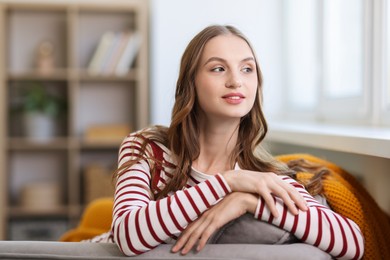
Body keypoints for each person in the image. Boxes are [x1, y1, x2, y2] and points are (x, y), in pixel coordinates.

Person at [107, 25, 364, 259]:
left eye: (247, 69)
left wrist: (247, 201)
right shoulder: (147, 147)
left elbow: (352, 243)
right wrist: (227, 182)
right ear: (191, 82)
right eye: (218, 68)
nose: (236, 81)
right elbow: (129, 236)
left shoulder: (264, 180)